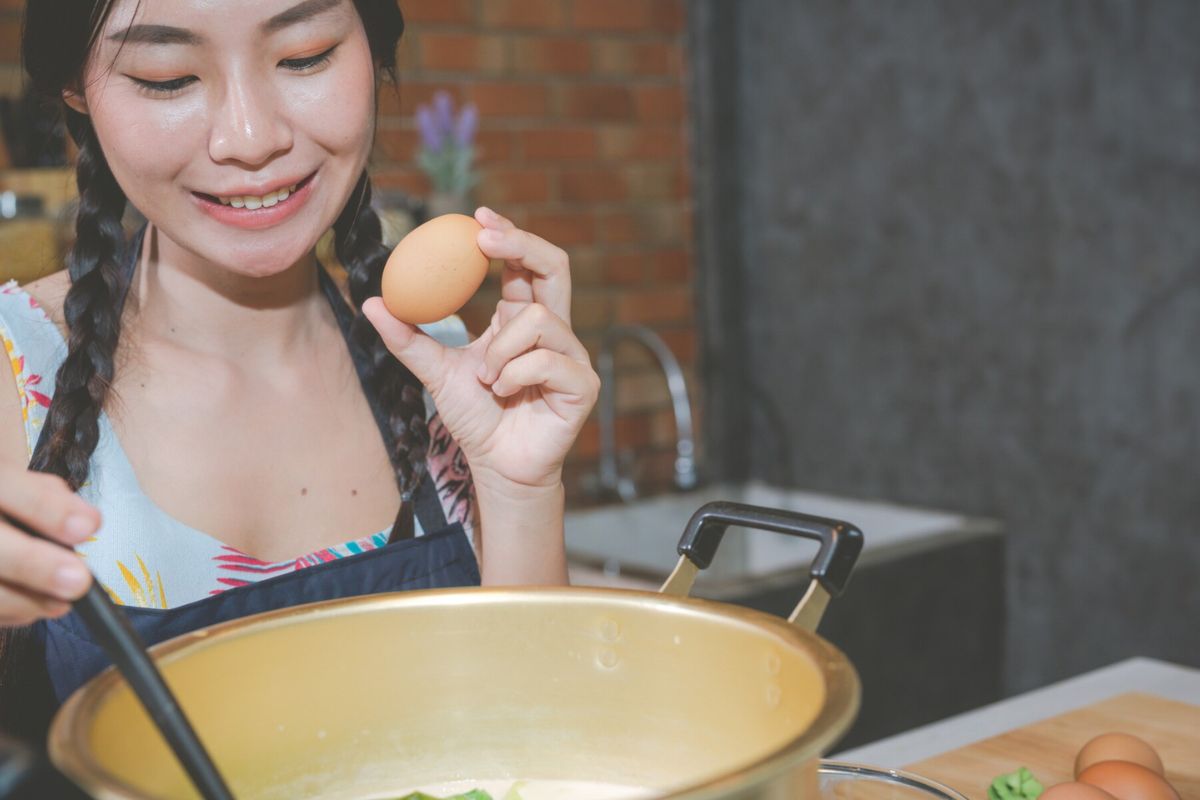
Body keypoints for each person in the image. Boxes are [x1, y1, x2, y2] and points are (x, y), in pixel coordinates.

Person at [0, 0, 599, 747]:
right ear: (76, 90)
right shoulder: (13, 369)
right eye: (167, 76)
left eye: (305, 57)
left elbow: (535, 747)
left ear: (375, 54)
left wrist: (520, 491)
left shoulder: (435, 359)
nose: (251, 139)